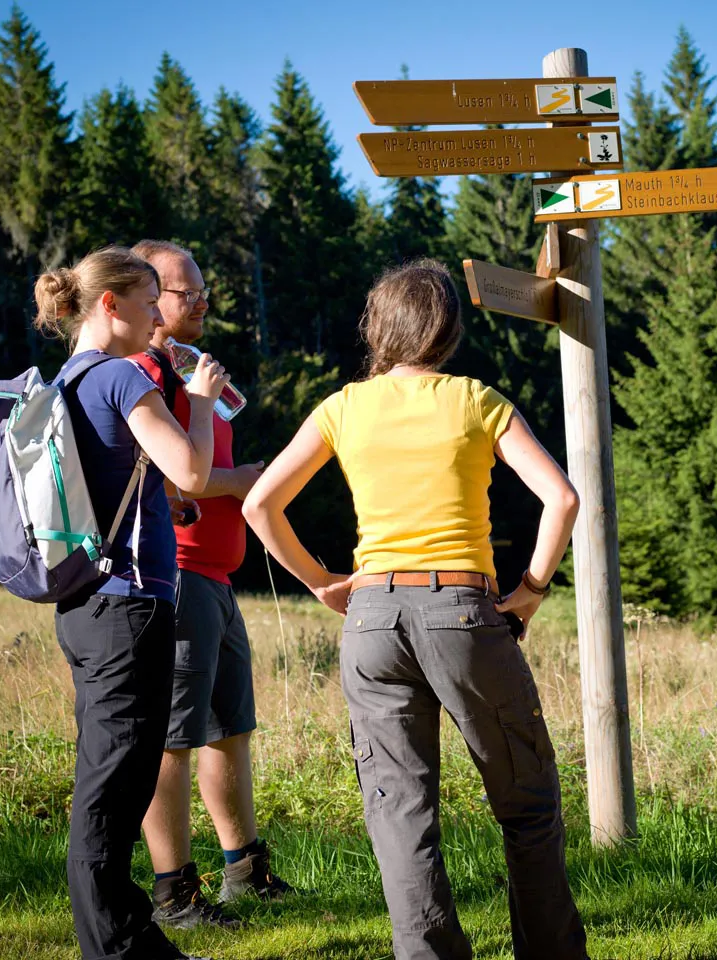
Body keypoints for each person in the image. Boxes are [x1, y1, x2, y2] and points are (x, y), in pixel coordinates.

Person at [242, 259, 589, 960]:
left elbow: (259, 505)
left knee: (400, 817)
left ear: (377, 328)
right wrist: (531, 589)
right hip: (461, 611)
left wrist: (321, 582)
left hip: (371, 618)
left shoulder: (342, 407)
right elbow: (562, 498)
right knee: (525, 801)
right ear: (449, 330)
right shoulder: (475, 400)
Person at [32, 246, 228, 960]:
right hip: (130, 607)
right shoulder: (120, 375)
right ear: (109, 305)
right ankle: (116, 945)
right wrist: (198, 403)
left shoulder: (66, 380)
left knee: (109, 777)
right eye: (148, 304)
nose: (156, 320)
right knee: (114, 787)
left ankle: (124, 936)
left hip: (84, 604)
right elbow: (193, 471)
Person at [129, 240, 292, 929]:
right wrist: (241, 480)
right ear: (148, 298)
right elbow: (169, 478)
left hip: (217, 578)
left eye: (203, 291)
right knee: (172, 739)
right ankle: (173, 892)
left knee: (230, 729)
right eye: (186, 292)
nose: (200, 301)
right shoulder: (141, 377)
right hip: (177, 576)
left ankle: (244, 871)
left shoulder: (192, 371)